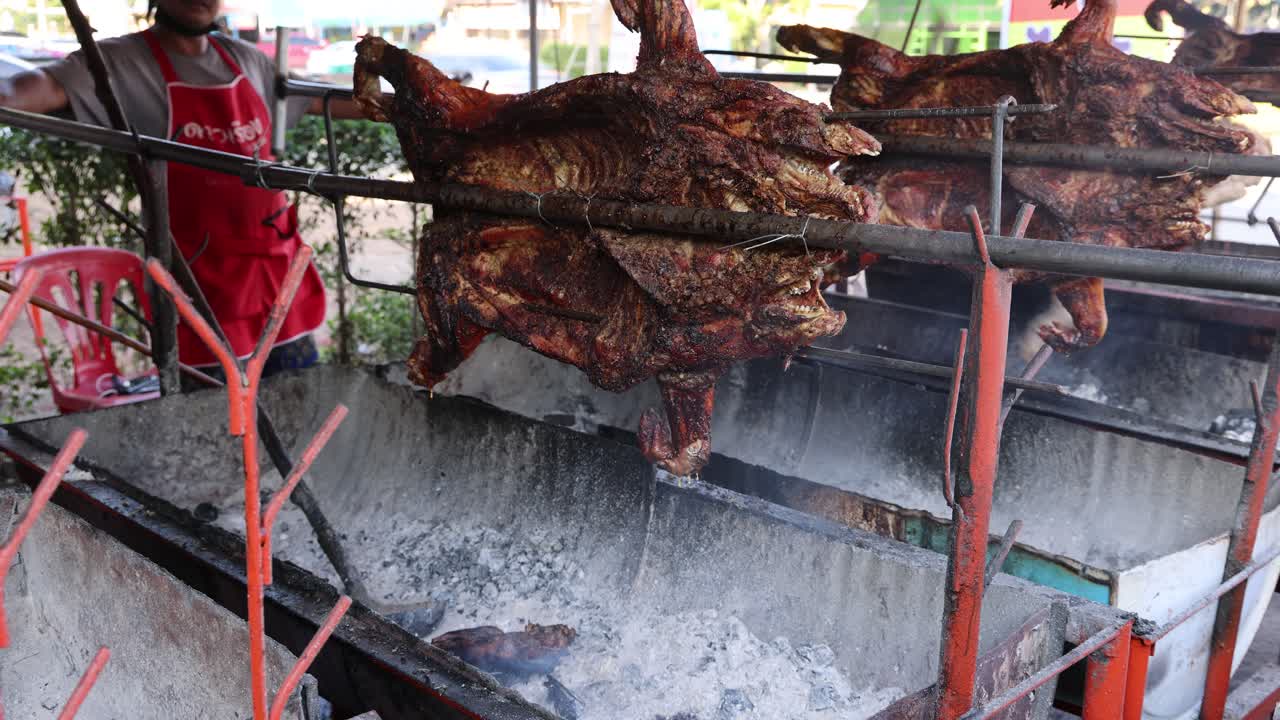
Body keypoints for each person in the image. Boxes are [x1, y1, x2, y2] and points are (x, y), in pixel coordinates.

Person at [0, 0, 364, 383]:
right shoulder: (118, 62)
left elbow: (322, 98)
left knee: (298, 407)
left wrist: (405, 101)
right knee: (217, 425)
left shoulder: (246, 59)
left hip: (278, 279)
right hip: (201, 289)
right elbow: (23, 91)